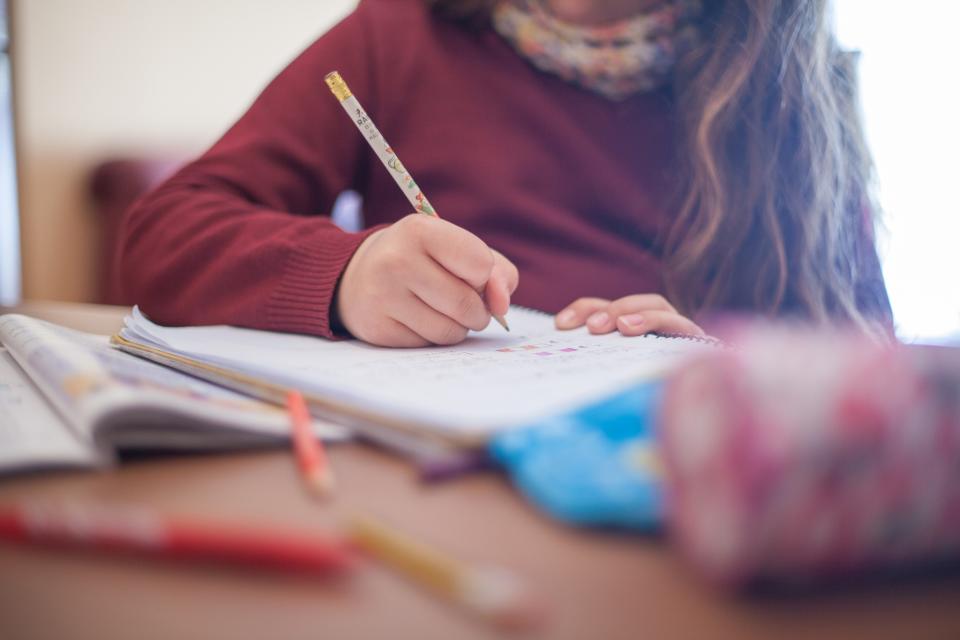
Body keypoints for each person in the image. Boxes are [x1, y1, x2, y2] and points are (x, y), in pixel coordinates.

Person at [118, 0, 892, 348]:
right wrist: (345, 275)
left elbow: (868, 363)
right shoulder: (396, 33)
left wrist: (721, 361)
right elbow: (163, 232)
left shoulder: (790, 84)